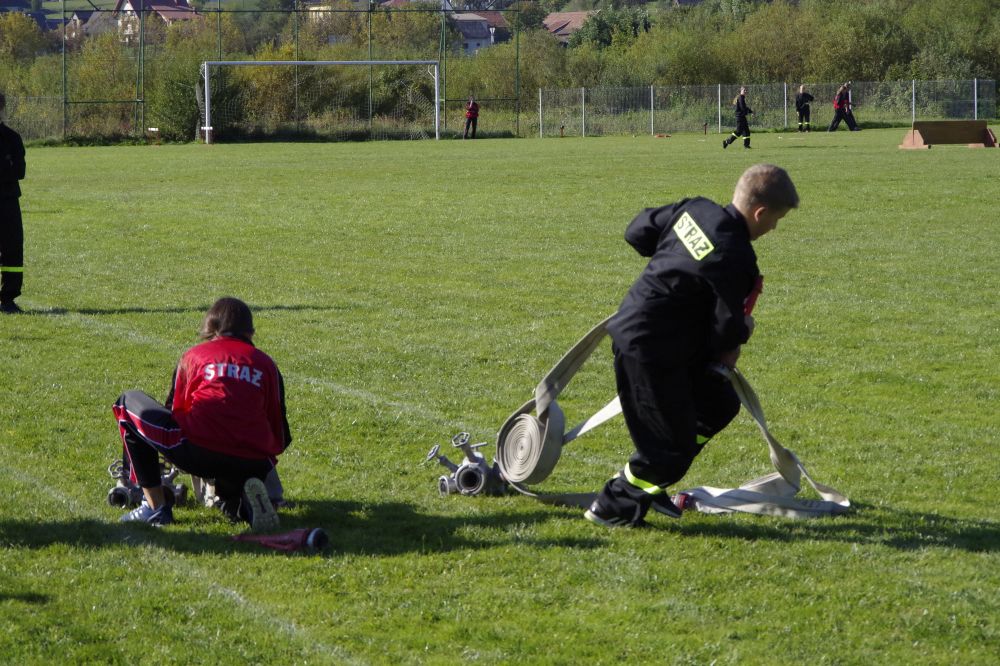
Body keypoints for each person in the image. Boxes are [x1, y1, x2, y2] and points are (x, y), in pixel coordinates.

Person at [585, 164, 799, 528]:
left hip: (663, 341)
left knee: (718, 404)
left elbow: (636, 231)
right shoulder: (736, 255)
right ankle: (613, 504)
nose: (774, 228)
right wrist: (745, 328)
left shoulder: (695, 209)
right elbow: (725, 332)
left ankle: (654, 481)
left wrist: (676, 260)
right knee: (670, 449)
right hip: (649, 351)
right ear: (760, 213)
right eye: (776, 220)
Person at [112, 297, 292, 529]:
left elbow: (176, 413)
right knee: (233, 485)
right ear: (250, 331)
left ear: (210, 327)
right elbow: (279, 432)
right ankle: (243, 503)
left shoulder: (194, 356)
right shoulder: (267, 364)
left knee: (127, 404)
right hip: (254, 462)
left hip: (200, 454)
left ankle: (154, 507)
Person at [0, 92, 26, 315]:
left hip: (8, 201)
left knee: (13, 249)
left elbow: (20, 171)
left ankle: (8, 298)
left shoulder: (11, 138)